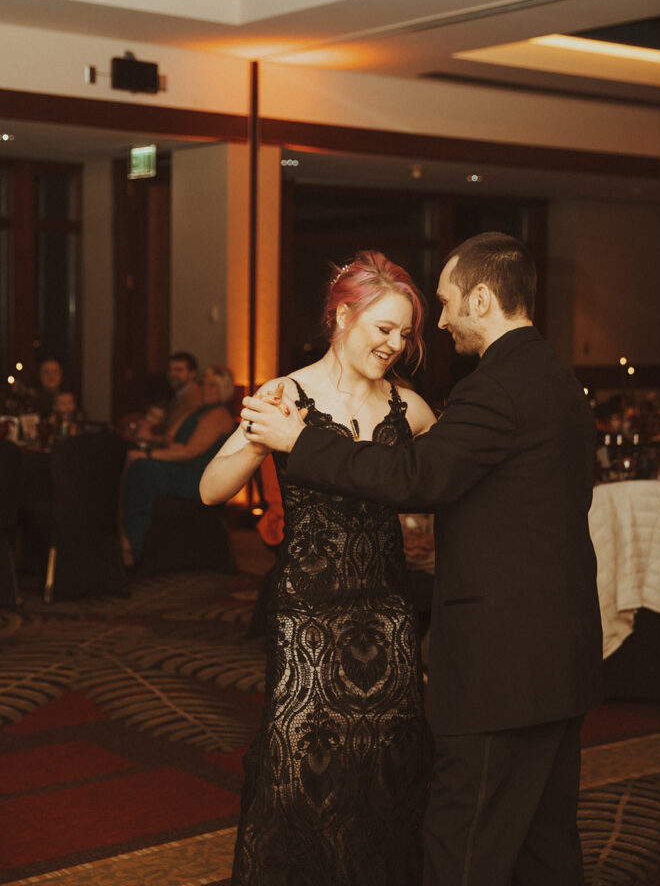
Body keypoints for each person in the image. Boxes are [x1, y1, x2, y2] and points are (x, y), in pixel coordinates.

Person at [240, 232, 603, 886]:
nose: (438, 322)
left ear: (483, 298)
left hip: (503, 666)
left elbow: (416, 477)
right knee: (543, 845)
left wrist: (301, 440)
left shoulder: (496, 387)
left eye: (445, 302)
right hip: (559, 652)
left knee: (463, 844)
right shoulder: (555, 379)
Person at [200, 251, 437, 886]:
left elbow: (444, 491)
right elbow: (210, 490)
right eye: (383, 328)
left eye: (404, 333)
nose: (395, 344)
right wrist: (257, 436)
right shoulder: (286, 394)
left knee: (386, 783)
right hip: (307, 621)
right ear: (341, 315)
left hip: (388, 622)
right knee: (296, 782)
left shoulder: (409, 410)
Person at [120, 365, 235, 566]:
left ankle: (132, 545)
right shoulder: (197, 410)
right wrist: (166, 445)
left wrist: (147, 454)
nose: (207, 389)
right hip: (182, 465)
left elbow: (188, 452)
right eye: (204, 384)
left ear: (224, 390)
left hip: (198, 476)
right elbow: (169, 438)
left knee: (142, 468)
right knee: (134, 465)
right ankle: (126, 537)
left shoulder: (218, 415)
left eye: (213, 386)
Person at [164, 351, 202, 435]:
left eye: (178, 370)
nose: (172, 374)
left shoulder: (195, 397)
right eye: (170, 370)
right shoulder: (178, 395)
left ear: (192, 374)